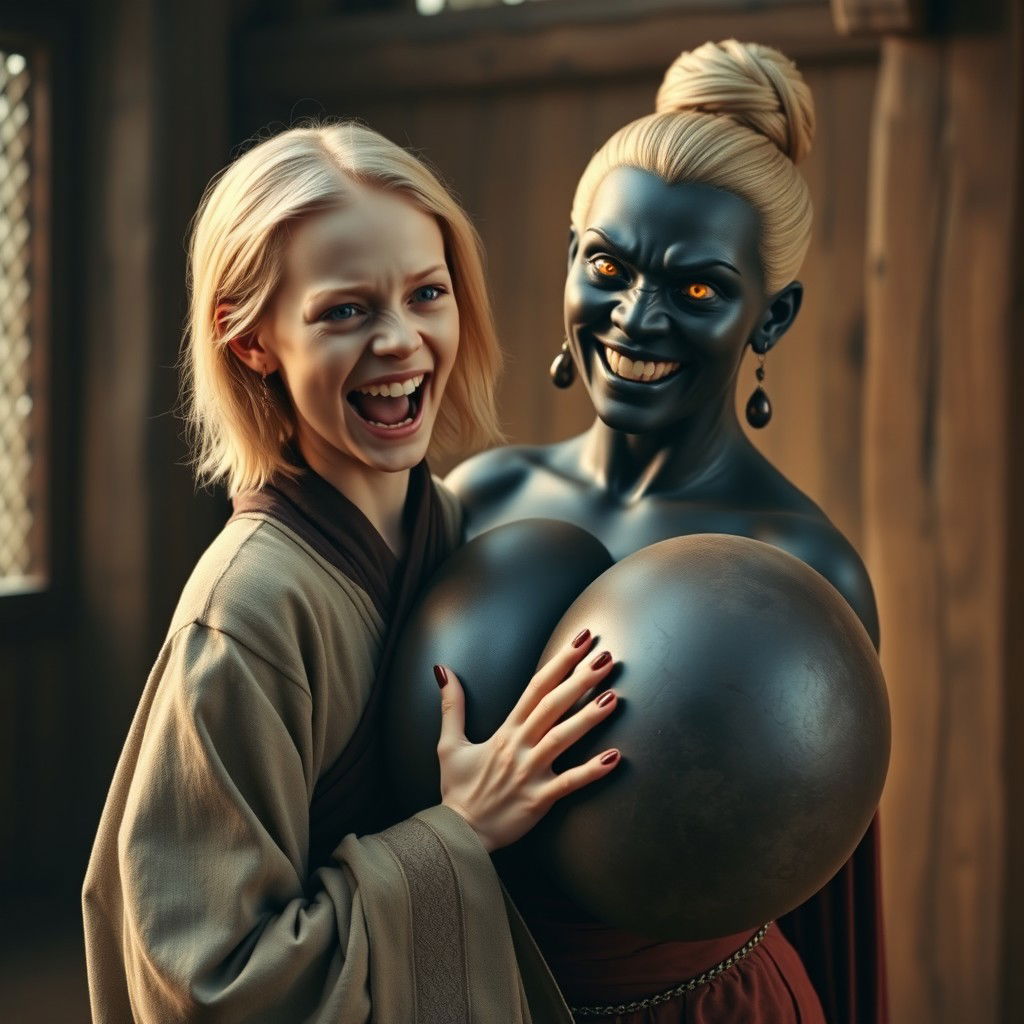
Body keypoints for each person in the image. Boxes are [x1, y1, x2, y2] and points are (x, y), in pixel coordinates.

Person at [81, 121, 624, 1023]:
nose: (402, 342)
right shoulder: (247, 615)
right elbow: (209, 984)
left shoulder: (449, 530)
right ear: (251, 340)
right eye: (346, 311)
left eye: (427, 294)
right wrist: (456, 835)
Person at [448, 40, 884, 1024]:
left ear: (769, 319)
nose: (635, 317)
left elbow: (819, 880)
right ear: (569, 264)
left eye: (696, 291)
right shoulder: (470, 498)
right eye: (607, 267)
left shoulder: (805, 572)